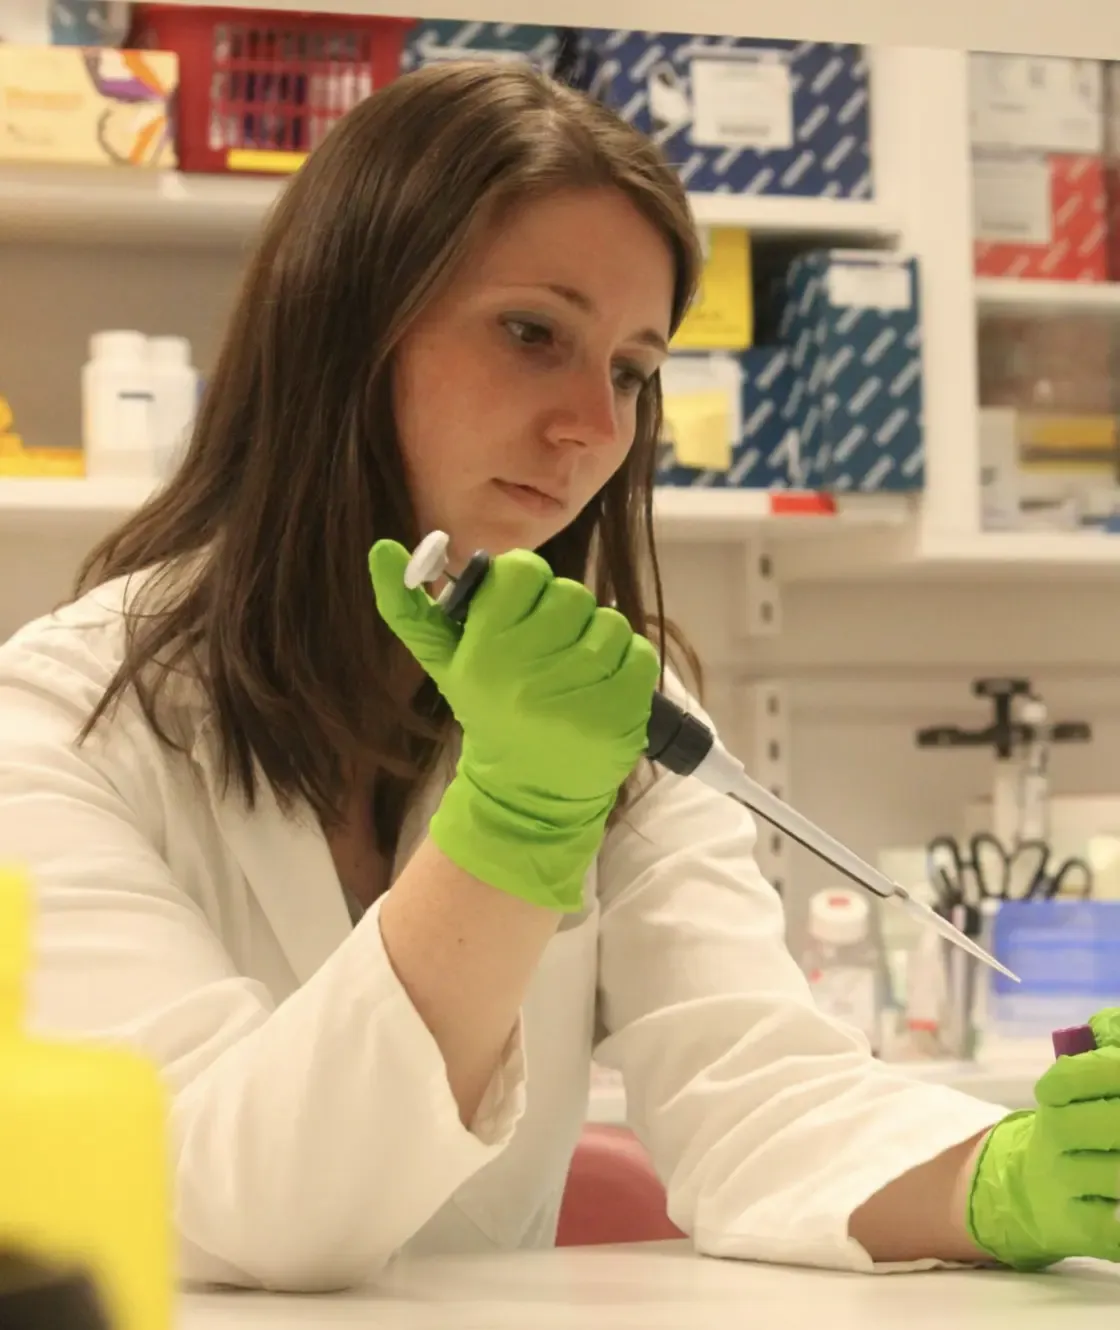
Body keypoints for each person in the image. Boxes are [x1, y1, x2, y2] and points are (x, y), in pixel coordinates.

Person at [1, 59, 1118, 1294]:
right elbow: (247, 1203)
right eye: (533, 333)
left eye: (633, 369)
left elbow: (753, 1091)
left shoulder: (614, 716)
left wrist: (1016, 1175)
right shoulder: (58, 724)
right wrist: (516, 819)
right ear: (344, 326)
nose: (595, 423)